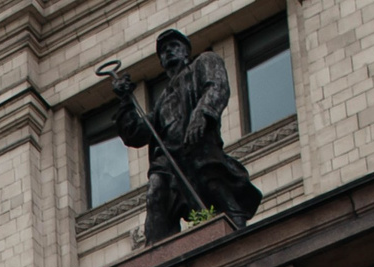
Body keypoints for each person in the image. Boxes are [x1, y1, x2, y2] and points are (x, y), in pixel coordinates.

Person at [101, 29, 264, 241]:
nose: (168, 52)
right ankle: (157, 255)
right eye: (163, 51)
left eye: (173, 47)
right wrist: (124, 101)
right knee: (156, 192)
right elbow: (137, 133)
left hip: (198, 148)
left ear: (186, 52)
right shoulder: (163, 101)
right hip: (170, 160)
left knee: (212, 183)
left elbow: (217, 86)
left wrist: (202, 113)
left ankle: (237, 226)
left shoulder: (204, 63)